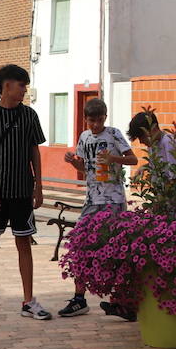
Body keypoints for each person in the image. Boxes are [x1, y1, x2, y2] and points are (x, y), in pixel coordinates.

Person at [0, 64, 50, 320]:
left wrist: (38, 186)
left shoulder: (29, 116)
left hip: (22, 192)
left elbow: (34, 152)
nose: (24, 89)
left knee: (23, 243)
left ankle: (29, 301)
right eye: (21, 85)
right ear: (6, 86)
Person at [57, 98, 137, 318]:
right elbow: (83, 166)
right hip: (92, 199)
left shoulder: (113, 134)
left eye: (99, 120)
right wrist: (72, 162)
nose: (96, 125)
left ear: (105, 117)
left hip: (113, 199)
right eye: (92, 121)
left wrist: (113, 158)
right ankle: (79, 298)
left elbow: (133, 159)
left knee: (118, 247)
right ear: (86, 120)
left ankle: (123, 300)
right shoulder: (84, 137)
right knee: (80, 244)